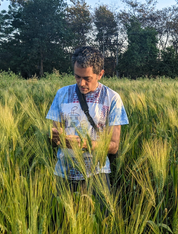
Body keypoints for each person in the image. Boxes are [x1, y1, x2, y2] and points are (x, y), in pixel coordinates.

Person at [46, 46, 128, 196]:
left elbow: (114, 146)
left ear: (100, 74)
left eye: (87, 78)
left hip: (97, 175)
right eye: (77, 76)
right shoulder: (62, 94)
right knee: (61, 218)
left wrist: (84, 144)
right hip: (63, 174)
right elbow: (53, 139)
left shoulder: (112, 98)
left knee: (100, 218)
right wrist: (55, 136)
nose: (81, 83)